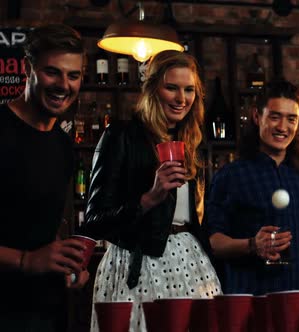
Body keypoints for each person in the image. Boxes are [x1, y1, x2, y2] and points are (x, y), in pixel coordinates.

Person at [80, 50, 221, 332]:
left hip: (191, 264)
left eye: (189, 90)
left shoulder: (189, 141)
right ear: (153, 88)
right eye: (172, 88)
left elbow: (196, 220)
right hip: (137, 262)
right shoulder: (121, 135)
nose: (182, 99)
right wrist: (147, 199)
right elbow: (94, 221)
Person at [206, 79, 299, 295]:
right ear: (257, 117)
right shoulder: (231, 175)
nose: (282, 127)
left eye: (291, 119)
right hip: (254, 300)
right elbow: (214, 242)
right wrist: (252, 244)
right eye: (275, 117)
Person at [0, 24, 90, 331]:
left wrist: (65, 263)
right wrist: (25, 260)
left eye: (73, 75)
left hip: (47, 312)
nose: (63, 85)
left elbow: (38, 227)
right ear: (28, 69)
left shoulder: (62, 145)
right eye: (53, 72)